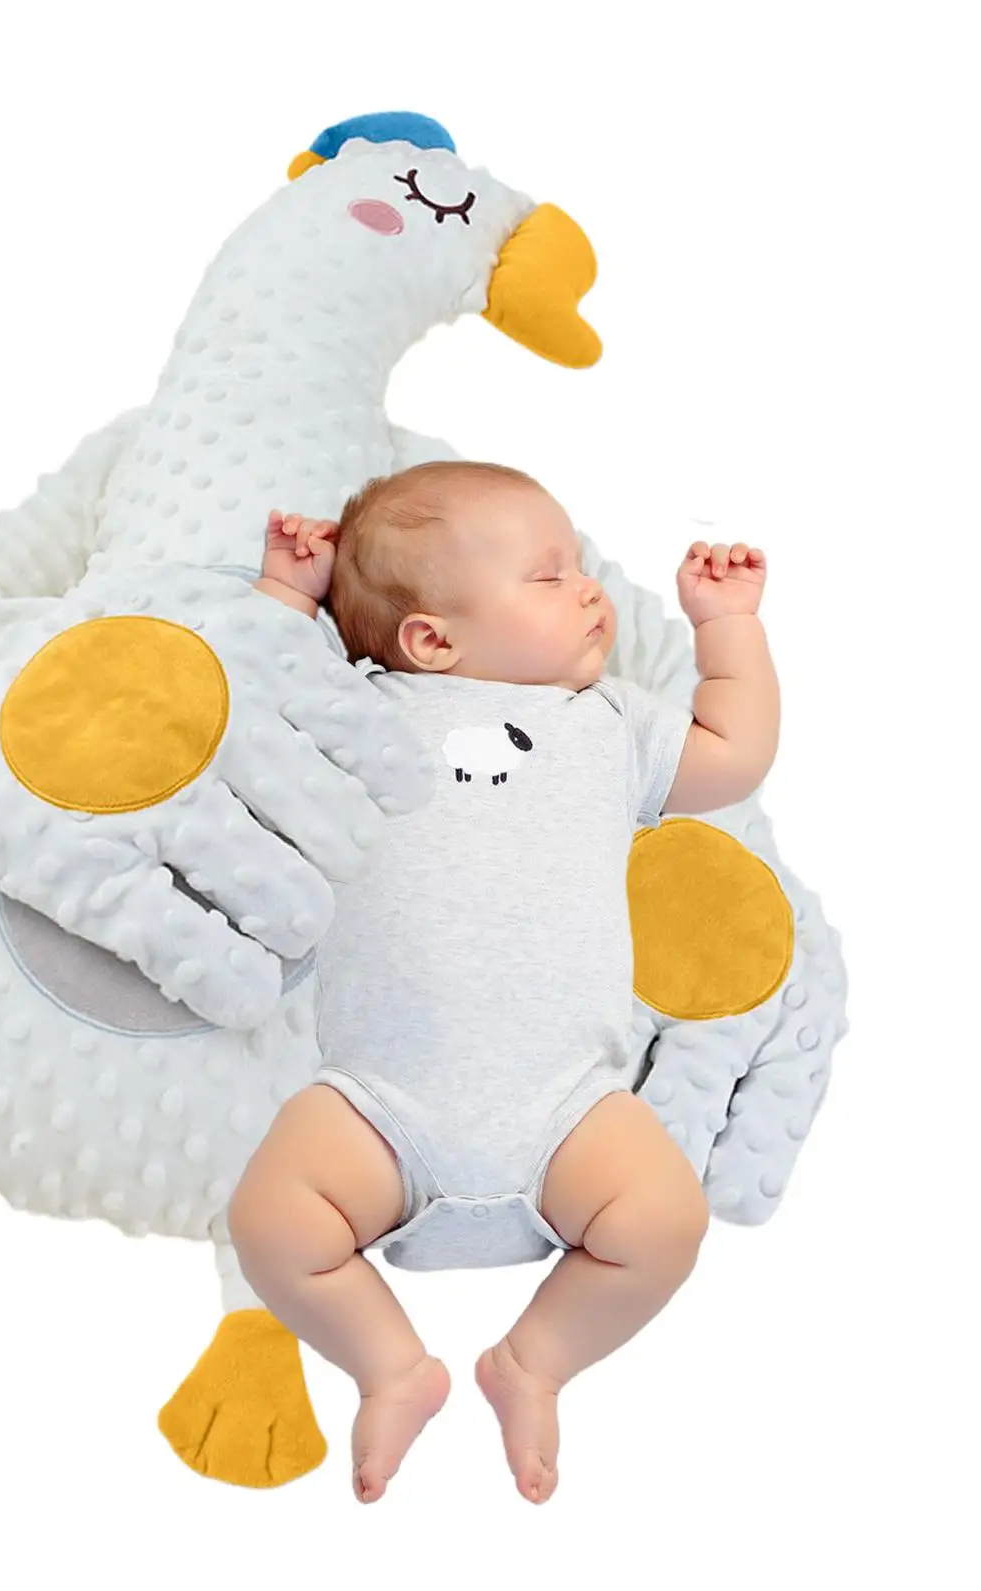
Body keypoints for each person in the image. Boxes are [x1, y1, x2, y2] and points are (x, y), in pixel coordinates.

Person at [230, 461, 778, 1503]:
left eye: (576, 567)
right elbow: (250, 713)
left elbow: (732, 753)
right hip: (380, 1106)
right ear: (432, 640)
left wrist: (727, 628)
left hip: (567, 1107)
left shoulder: (610, 723)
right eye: (547, 575)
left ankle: (533, 1360)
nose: (587, 589)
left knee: (664, 1221)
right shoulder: (361, 715)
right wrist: (284, 597)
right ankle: (389, 1365)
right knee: (269, 1220)